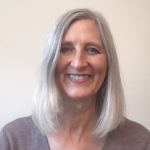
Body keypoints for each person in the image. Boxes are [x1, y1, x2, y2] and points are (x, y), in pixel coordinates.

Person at [0, 8, 150, 150]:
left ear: (109, 64)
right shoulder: (13, 139)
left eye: (92, 49)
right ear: (50, 61)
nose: (78, 63)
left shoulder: (140, 141)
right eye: (65, 49)